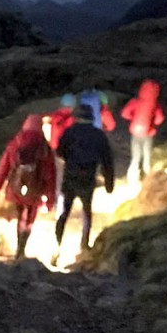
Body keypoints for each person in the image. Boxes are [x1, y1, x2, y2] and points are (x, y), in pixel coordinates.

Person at [0, 114, 56, 260]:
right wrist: (49, 200)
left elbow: (3, 169)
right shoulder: (43, 148)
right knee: (30, 217)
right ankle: (22, 249)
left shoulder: (15, 143)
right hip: (36, 190)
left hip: (16, 188)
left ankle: (18, 246)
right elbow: (50, 175)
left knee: (20, 215)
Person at [55, 104, 115, 262]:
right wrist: (109, 182)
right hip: (88, 177)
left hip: (71, 175)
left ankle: (57, 245)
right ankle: (84, 245)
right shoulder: (99, 135)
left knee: (64, 211)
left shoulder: (69, 132)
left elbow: (59, 151)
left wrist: (69, 158)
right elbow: (107, 160)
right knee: (87, 212)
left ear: (76, 117)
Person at [120, 79, 165, 184]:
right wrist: (152, 122)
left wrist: (133, 118)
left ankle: (132, 180)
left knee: (135, 157)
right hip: (148, 133)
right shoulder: (155, 105)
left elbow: (124, 114)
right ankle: (148, 181)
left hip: (135, 132)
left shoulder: (135, 101)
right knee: (147, 158)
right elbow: (160, 119)